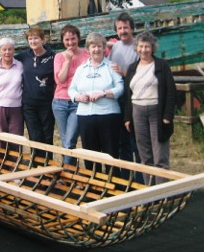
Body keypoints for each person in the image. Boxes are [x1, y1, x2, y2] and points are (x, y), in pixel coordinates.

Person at [0, 26, 55, 161]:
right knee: (33, 136)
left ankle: (48, 165)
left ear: (43, 40)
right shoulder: (25, 56)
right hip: (28, 105)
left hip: (45, 104)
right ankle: (34, 165)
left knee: (47, 136)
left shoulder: (52, 56)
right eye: (30, 38)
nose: (33, 41)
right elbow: (6, 56)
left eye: (36, 38)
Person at [124, 31, 177, 185]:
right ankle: (149, 191)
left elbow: (171, 91)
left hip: (157, 112)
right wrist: (127, 117)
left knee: (160, 153)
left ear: (152, 48)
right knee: (145, 154)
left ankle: (162, 193)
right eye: (141, 46)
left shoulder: (161, 65)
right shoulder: (132, 68)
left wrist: (168, 115)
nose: (144, 50)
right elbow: (128, 95)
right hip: (137, 112)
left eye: (147, 46)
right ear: (136, 48)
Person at [68, 32, 124, 173]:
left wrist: (103, 93)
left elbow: (120, 88)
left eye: (99, 46)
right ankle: (95, 186)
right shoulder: (81, 69)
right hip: (85, 116)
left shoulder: (111, 67)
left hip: (108, 115)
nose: (96, 50)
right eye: (93, 47)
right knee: (90, 154)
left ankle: (114, 185)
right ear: (88, 49)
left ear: (104, 48)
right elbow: (71, 89)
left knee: (110, 153)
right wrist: (79, 97)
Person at [109, 12, 143, 182]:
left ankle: (140, 179)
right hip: (118, 99)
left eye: (126, 28)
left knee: (135, 140)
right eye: (120, 28)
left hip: (134, 99)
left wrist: (124, 73)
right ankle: (125, 178)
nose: (123, 31)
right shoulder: (115, 47)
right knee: (122, 141)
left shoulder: (139, 47)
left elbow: (143, 74)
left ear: (132, 29)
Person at [52, 24, 89, 166]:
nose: (70, 43)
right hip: (60, 102)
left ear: (78, 38)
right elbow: (60, 80)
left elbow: (106, 47)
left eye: (73, 39)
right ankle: (72, 172)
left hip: (78, 102)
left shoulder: (86, 54)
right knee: (65, 140)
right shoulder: (59, 57)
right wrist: (68, 60)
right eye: (67, 40)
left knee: (70, 140)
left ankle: (67, 172)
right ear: (63, 41)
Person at [0, 38, 24, 140]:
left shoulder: (20, 66)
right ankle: (0, 156)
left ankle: (16, 157)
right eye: (4, 49)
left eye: (10, 49)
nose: (7, 52)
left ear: (14, 50)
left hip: (16, 108)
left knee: (16, 140)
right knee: (0, 139)